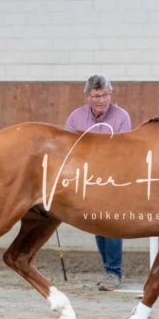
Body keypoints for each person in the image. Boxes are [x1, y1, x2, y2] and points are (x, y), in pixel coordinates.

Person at [65, 74, 131, 291]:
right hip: (86, 180)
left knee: (110, 223)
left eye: (105, 95)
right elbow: (66, 149)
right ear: (87, 96)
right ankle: (109, 271)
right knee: (97, 225)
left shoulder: (121, 117)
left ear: (110, 94)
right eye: (96, 96)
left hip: (113, 178)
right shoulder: (76, 118)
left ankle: (114, 272)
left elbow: (122, 151)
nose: (101, 100)